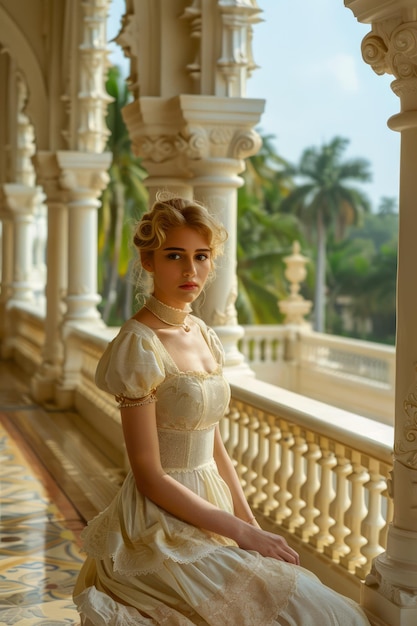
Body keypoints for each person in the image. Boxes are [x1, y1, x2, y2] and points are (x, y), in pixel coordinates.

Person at [73, 193, 371, 625]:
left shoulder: (204, 334)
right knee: (301, 609)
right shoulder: (139, 344)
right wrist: (243, 533)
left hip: (213, 504)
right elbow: (149, 475)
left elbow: (215, 447)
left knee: (315, 604)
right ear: (150, 260)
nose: (190, 270)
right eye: (175, 256)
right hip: (159, 521)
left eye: (201, 256)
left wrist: (252, 528)